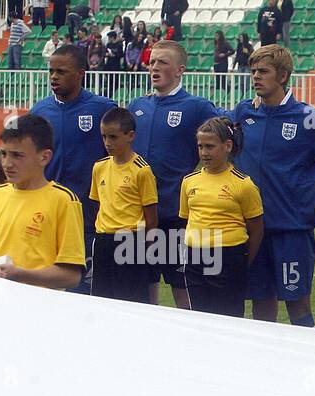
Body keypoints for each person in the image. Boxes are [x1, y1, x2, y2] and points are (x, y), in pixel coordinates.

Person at [232, 44, 315, 325]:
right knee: (260, 305)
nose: (256, 76)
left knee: (298, 306)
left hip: (291, 232)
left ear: (283, 76)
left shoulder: (309, 118)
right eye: (253, 71)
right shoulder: (242, 113)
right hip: (251, 229)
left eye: (264, 71)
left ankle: (307, 366)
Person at [128, 39, 221, 309]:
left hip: (175, 216)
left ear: (179, 70)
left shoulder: (197, 107)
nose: (154, 67)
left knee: (183, 287)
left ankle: (194, 344)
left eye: (162, 62)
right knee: (143, 290)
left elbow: (225, 141)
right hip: (139, 218)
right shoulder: (137, 106)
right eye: (152, 61)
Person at [30, 45, 115, 295]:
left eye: (62, 72)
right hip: (45, 213)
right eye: (51, 71)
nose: (54, 77)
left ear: (81, 74)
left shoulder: (102, 108)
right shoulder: (40, 111)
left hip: (88, 215)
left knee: (83, 290)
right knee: (42, 287)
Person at [0, 115, 84, 289]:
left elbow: (71, 275)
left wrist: (20, 274)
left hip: (38, 308)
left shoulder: (64, 201)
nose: (7, 164)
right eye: (3, 154)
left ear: (44, 157)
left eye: (17, 155)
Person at [179, 118, 263, 317]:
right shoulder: (189, 181)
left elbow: (256, 229)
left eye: (210, 146)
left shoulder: (243, 184)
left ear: (227, 146)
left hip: (228, 256)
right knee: (199, 316)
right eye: (200, 147)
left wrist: (241, 261)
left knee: (228, 317)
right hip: (195, 256)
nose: (204, 153)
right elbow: (186, 219)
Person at [89, 107, 158, 302]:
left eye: (113, 137)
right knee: (103, 301)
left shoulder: (142, 171)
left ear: (130, 136)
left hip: (130, 241)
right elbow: (98, 205)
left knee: (131, 301)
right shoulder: (99, 167)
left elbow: (151, 218)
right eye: (104, 137)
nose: (108, 143)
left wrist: (146, 250)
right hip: (103, 241)